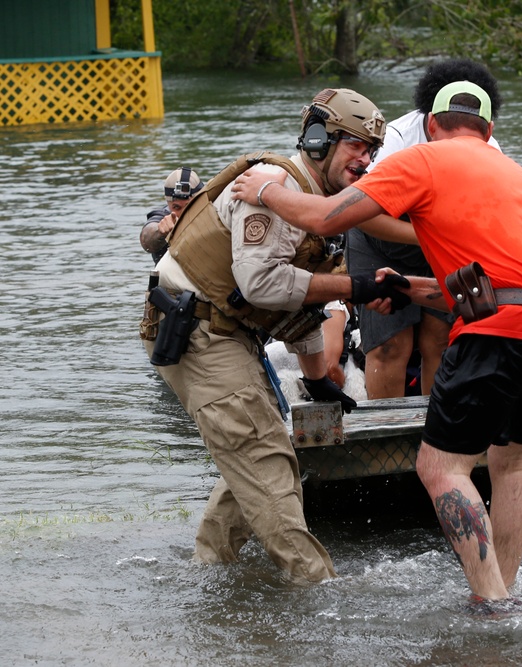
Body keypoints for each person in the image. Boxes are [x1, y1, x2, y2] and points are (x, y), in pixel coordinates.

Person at [231, 81, 522, 604]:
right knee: (510, 463)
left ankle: (490, 603)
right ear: (489, 131)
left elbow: (323, 216)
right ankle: (504, 590)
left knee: (439, 468)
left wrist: (260, 189)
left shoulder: (424, 157)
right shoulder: (519, 177)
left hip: (498, 331)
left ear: (432, 125)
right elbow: (505, 282)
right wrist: (408, 288)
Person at [139, 88, 415, 583]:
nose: (367, 160)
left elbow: (298, 302)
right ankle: (318, 590)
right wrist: (356, 284)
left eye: (372, 150)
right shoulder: (270, 187)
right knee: (267, 462)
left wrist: (318, 380)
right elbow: (261, 284)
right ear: (318, 141)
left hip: (227, 332)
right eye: (356, 146)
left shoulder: (317, 202)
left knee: (261, 458)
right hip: (200, 333)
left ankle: (207, 576)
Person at [348, 58, 503, 399]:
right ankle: (387, 438)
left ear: (486, 127)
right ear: (431, 121)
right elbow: (358, 213)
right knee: (391, 346)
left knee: (441, 341)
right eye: (450, 123)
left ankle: (436, 432)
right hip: (380, 238)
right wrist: (425, 236)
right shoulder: (396, 140)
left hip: (442, 242)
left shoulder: (490, 149)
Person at [140, 167, 203, 264]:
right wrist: (160, 232)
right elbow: (146, 238)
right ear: (168, 204)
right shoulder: (163, 216)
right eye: (176, 207)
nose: (183, 214)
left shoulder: (213, 211)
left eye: (188, 206)